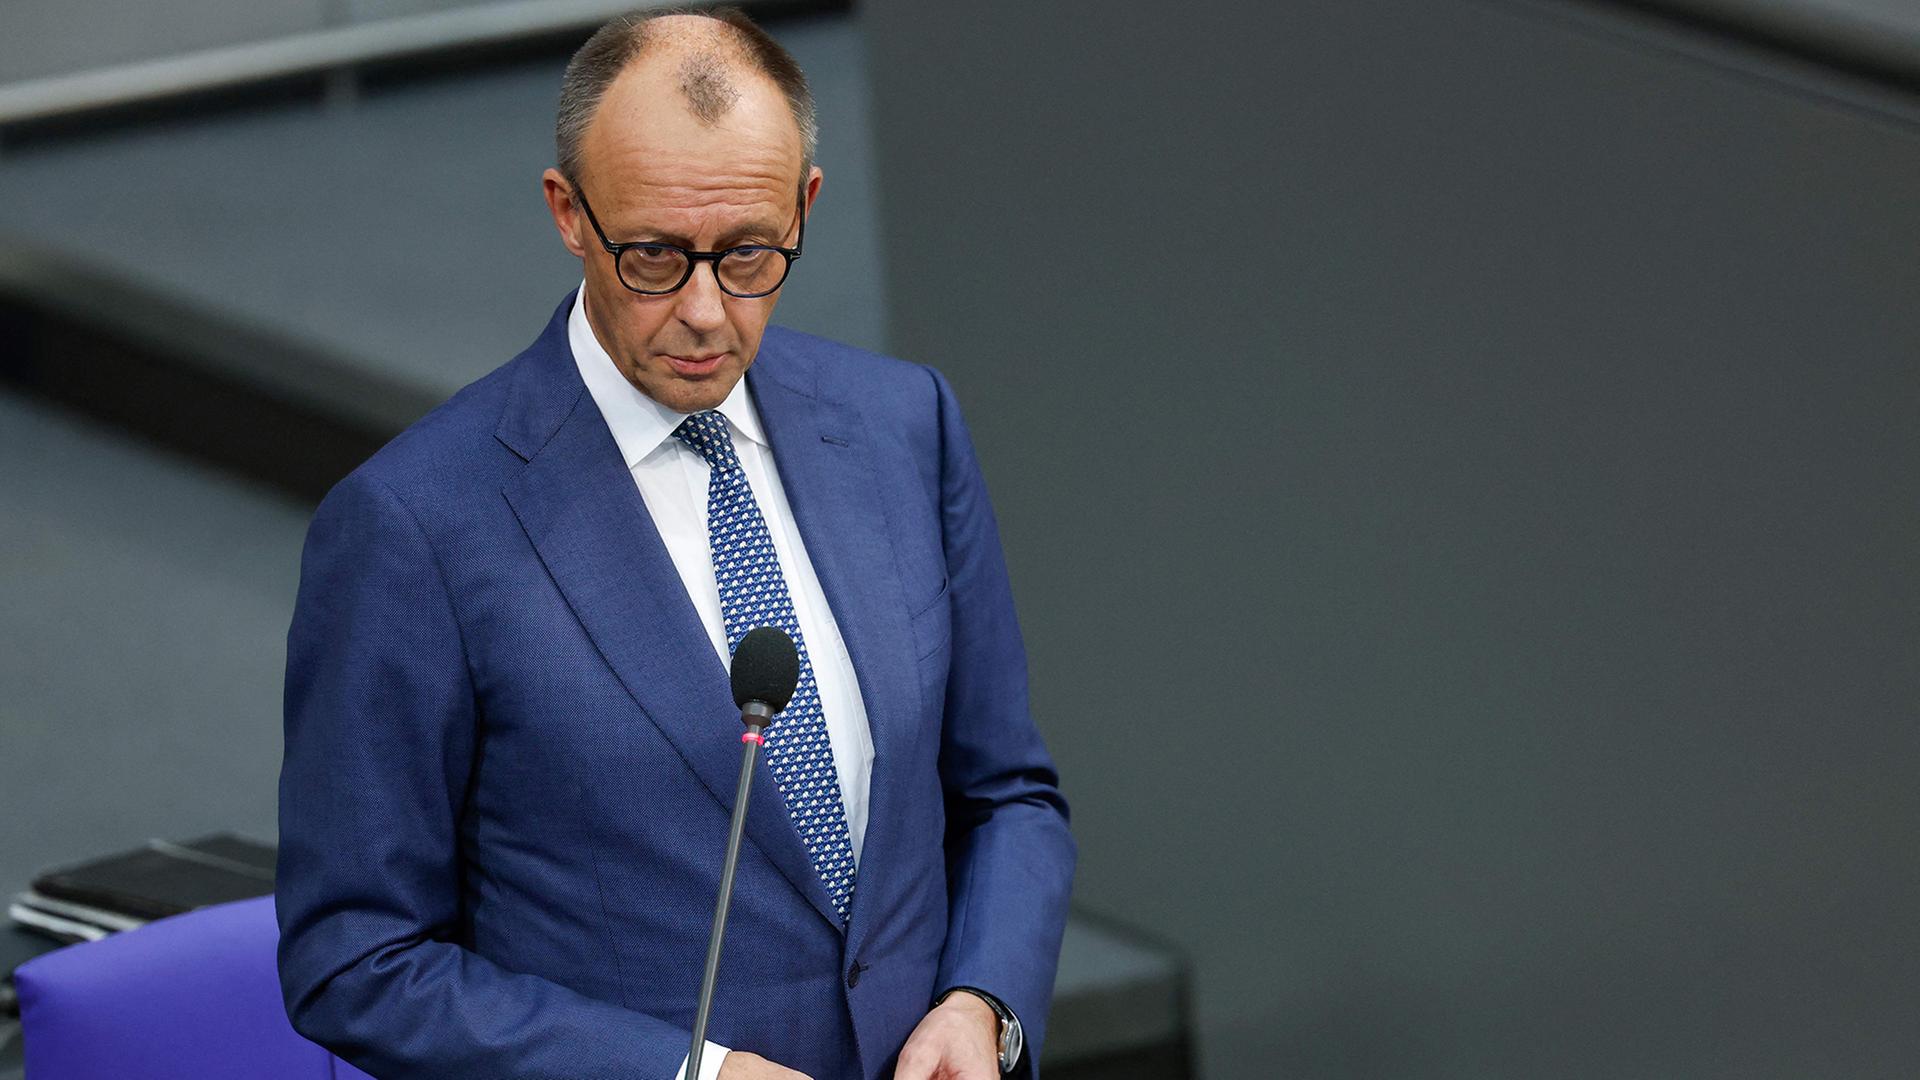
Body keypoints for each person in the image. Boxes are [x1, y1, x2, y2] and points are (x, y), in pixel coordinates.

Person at [273, 7, 1075, 1080]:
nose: (704, 311)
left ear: (807, 204)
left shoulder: (901, 425)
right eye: (652, 255)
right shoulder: (415, 527)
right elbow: (354, 959)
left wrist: (983, 1006)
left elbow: (1007, 794)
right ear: (569, 212)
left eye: (749, 253)